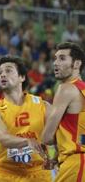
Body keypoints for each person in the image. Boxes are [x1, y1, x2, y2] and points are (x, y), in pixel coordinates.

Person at [0, 56, 51, 182]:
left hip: (38, 172)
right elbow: (4, 139)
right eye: (0, 73)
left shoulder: (43, 106)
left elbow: (59, 133)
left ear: (22, 77)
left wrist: (58, 155)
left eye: (8, 70)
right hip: (4, 173)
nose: (3, 75)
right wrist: (28, 141)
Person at [42, 42, 85, 182]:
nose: (55, 63)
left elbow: (47, 137)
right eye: (55, 58)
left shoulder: (65, 88)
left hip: (76, 163)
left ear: (77, 64)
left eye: (62, 58)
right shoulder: (82, 90)